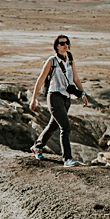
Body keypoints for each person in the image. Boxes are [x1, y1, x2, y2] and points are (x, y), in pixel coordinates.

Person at [29, 34, 89, 164]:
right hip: (54, 96)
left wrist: (83, 94)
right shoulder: (52, 61)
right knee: (65, 127)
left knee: (53, 125)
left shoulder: (70, 59)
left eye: (67, 42)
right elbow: (40, 80)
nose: (65, 45)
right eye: (62, 43)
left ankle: (37, 147)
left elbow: (76, 79)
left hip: (66, 98)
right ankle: (67, 159)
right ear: (56, 46)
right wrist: (33, 99)